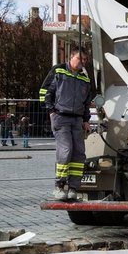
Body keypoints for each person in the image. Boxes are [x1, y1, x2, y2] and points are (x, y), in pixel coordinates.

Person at [39, 49, 95, 200]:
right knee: (66, 150)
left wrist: (85, 120)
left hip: (77, 120)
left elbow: (86, 102)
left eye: (85, 59)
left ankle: (73, 188)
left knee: (79, 153)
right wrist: (51, 112)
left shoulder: (85, 78)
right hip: (61, 117)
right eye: (80, 58)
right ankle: (59, 185)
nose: (83, 62)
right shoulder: (58, 71)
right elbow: (44, 92)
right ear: (71, 57)